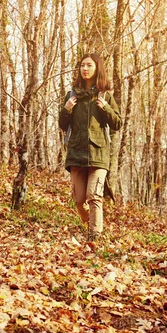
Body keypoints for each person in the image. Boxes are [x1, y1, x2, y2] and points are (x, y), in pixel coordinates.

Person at [58, 53, 122, 241]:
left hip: (98, 153)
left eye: (89, 66)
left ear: (97, 69)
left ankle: (95, 237)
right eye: (82, 65)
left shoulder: (105, 96)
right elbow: (62, 124)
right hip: (76, 153)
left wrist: (106, 108)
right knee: (79, 201)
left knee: (94, 195)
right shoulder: (71, 95)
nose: (85, 69)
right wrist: (67, 108)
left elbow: (118, 124)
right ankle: (91, 225)